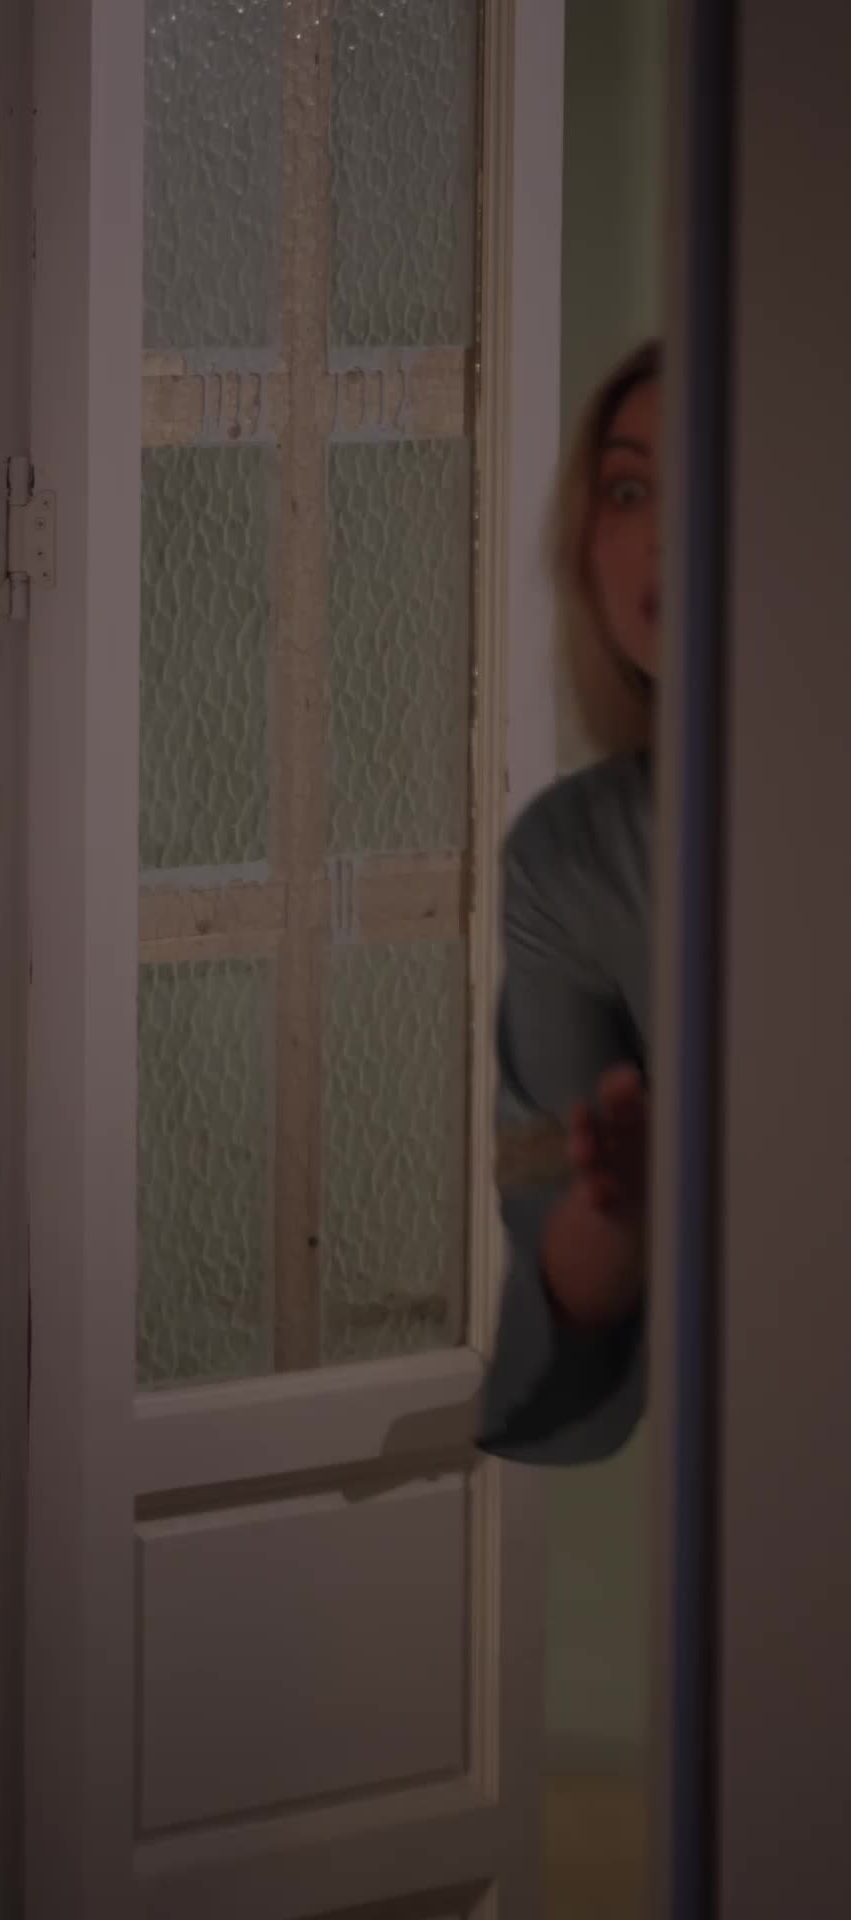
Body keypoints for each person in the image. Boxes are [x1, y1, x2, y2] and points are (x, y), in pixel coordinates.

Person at [479, 339, 660, 1464]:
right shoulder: (571, 855)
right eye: (630, 491)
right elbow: (559, 1257)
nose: (664, 533)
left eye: (715, 479)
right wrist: (621, 1203)